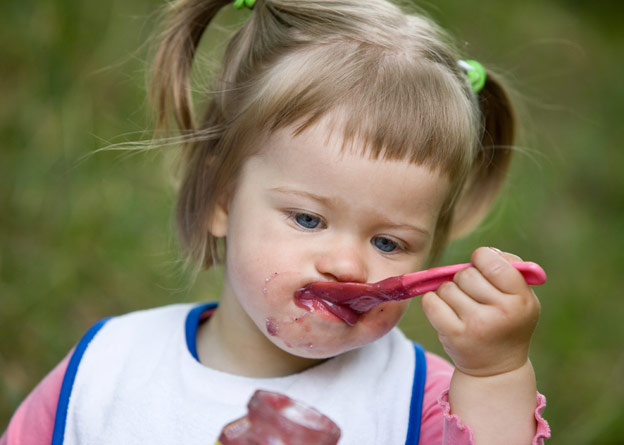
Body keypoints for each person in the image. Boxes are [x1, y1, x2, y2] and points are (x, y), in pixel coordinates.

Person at [1, 0, 552, 443]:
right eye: (309, 219)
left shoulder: (420, 400)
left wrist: (494, 374)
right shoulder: (112, 367)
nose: (346, 263)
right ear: (223, 197)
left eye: (389, 241)